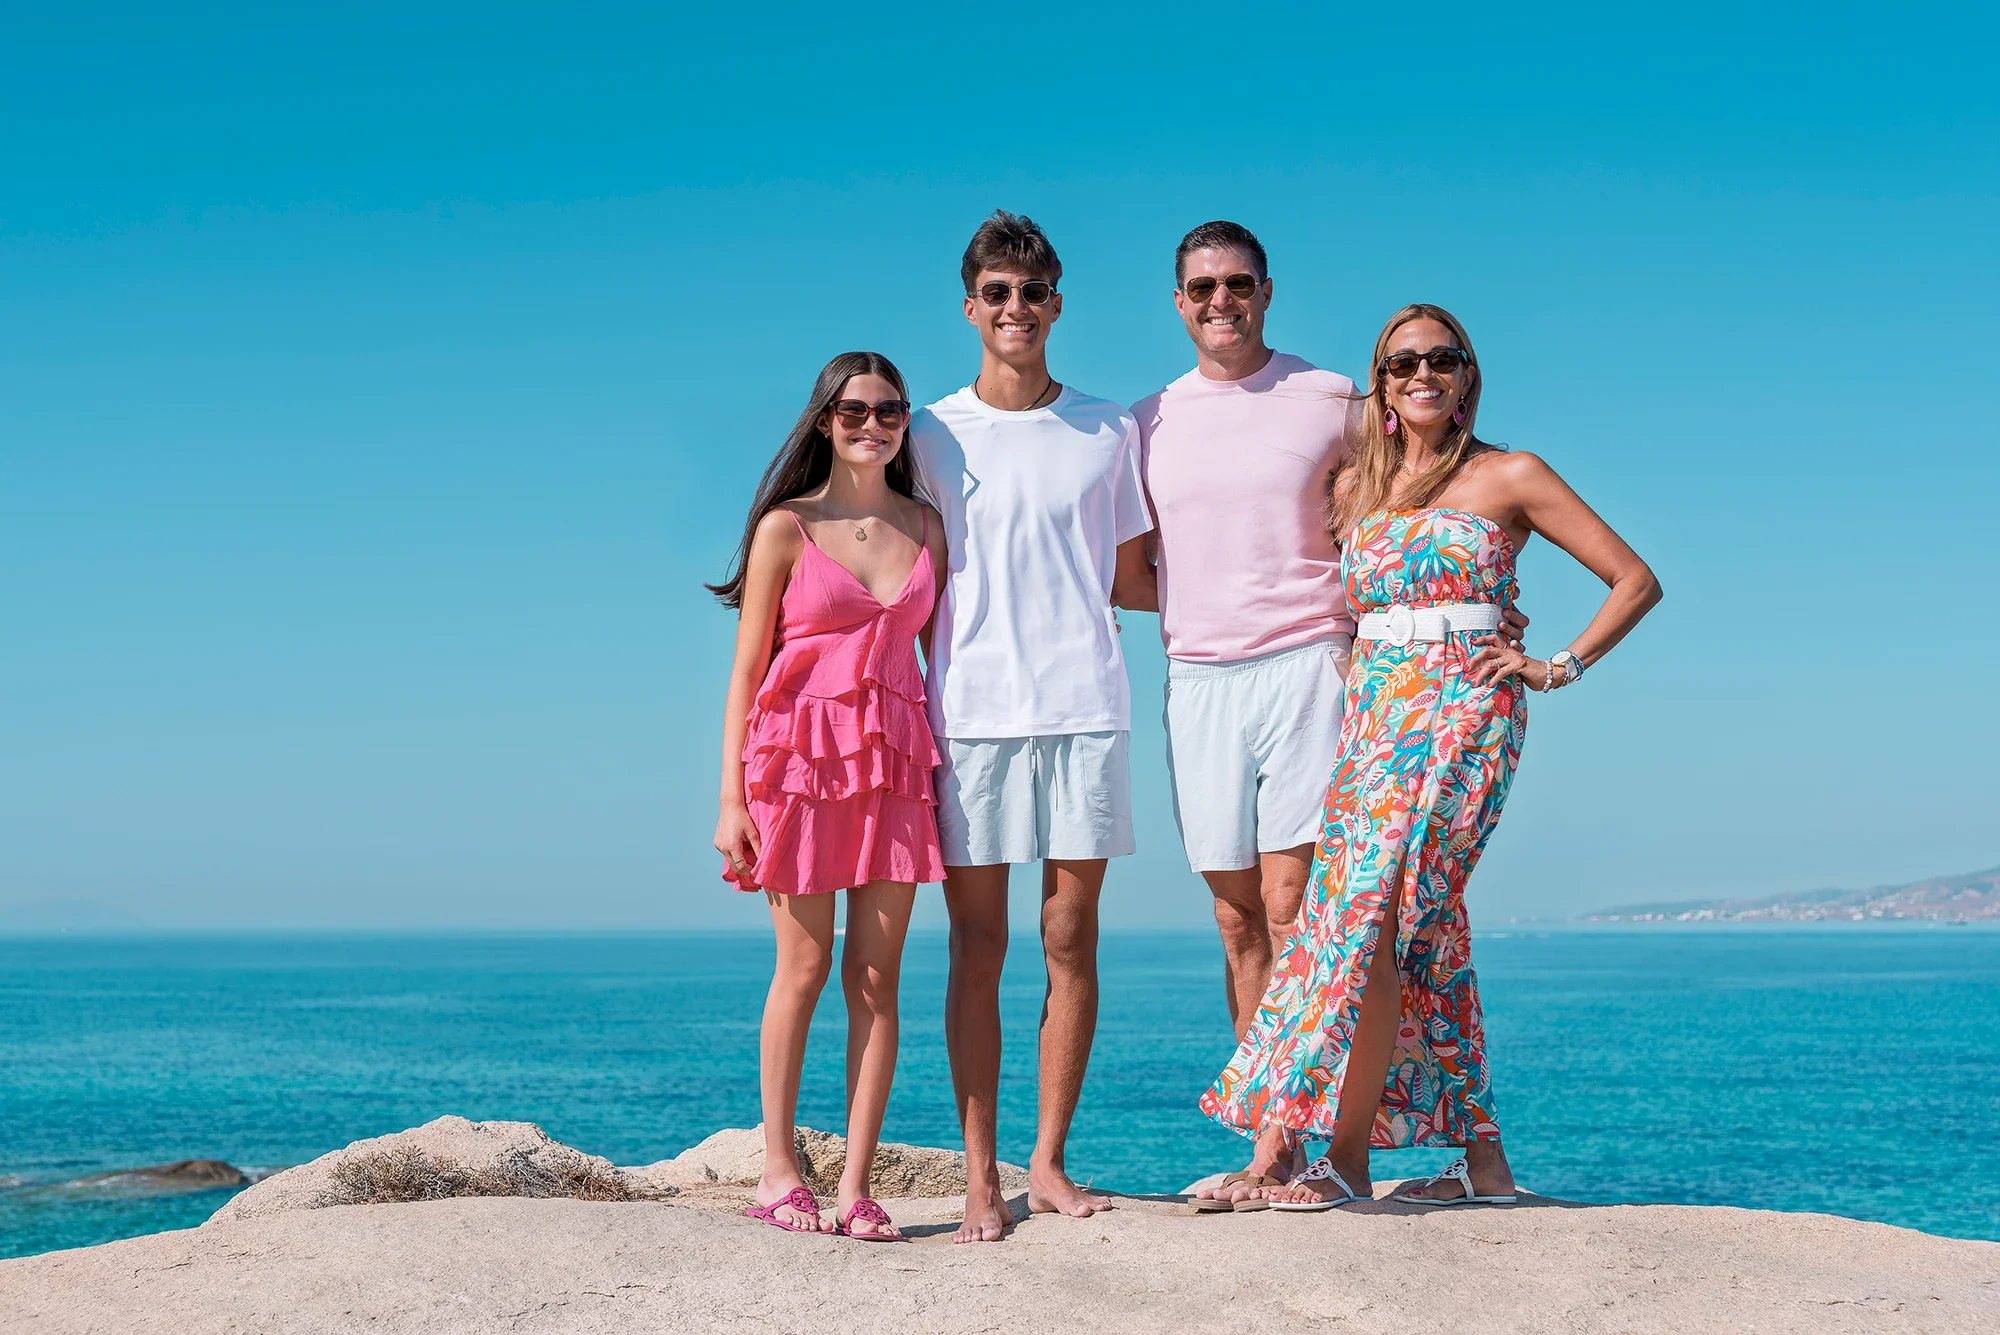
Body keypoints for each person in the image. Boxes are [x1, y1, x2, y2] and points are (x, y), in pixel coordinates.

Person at [1200, 304, 1661, 1209]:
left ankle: (1347, 1161)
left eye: (1442, 359)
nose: (1423, 373)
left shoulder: (1510, 473)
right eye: (1403, 360)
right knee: (1421, 929)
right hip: (1372, 722)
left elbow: (1635, 579)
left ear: (1466, 377)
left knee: (1373, 917)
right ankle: (1482, 1164)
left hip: (1467, 713)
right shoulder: (1355, 490)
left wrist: (1554, 664)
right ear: (1380, 382)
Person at [1130, 225, 1526, 1211]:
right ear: (1176, 302)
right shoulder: (1146, 421)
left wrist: (1465, 610)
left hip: (1316, 668)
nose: (1219, 300)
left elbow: (1419, 480)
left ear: (1265, 291)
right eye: (1199, 287)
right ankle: (1290, 1143)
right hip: (1196, 676)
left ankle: (1295, 1148)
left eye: (1236, 284)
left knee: (1311, 912)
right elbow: (1124, 565)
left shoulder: (1333, 401)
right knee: (1234, 921)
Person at [911, 211, 1155, 1243]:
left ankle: (1047, 1162)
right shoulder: (924, 429)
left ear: (1057, 303)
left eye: (1034, 291)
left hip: (1085, 706)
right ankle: (979, 1172)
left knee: (1068, 935)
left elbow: (1138, 577)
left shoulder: (1109, 428)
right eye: (997, 293)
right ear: (970, 306)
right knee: (977, 944)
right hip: (968, 714)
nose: (1017, 308)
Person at [709, 351, 947, 1241]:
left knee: (877, 978)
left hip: (893, 765)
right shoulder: (786, 527)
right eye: (854, 411)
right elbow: (745, 670)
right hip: (798, 766)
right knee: (804, 969)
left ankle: (854, 1184)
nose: (872, 424)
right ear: (824, 420)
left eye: (889, 411)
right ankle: (779, 1171)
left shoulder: (927, 526)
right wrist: (730, 799)